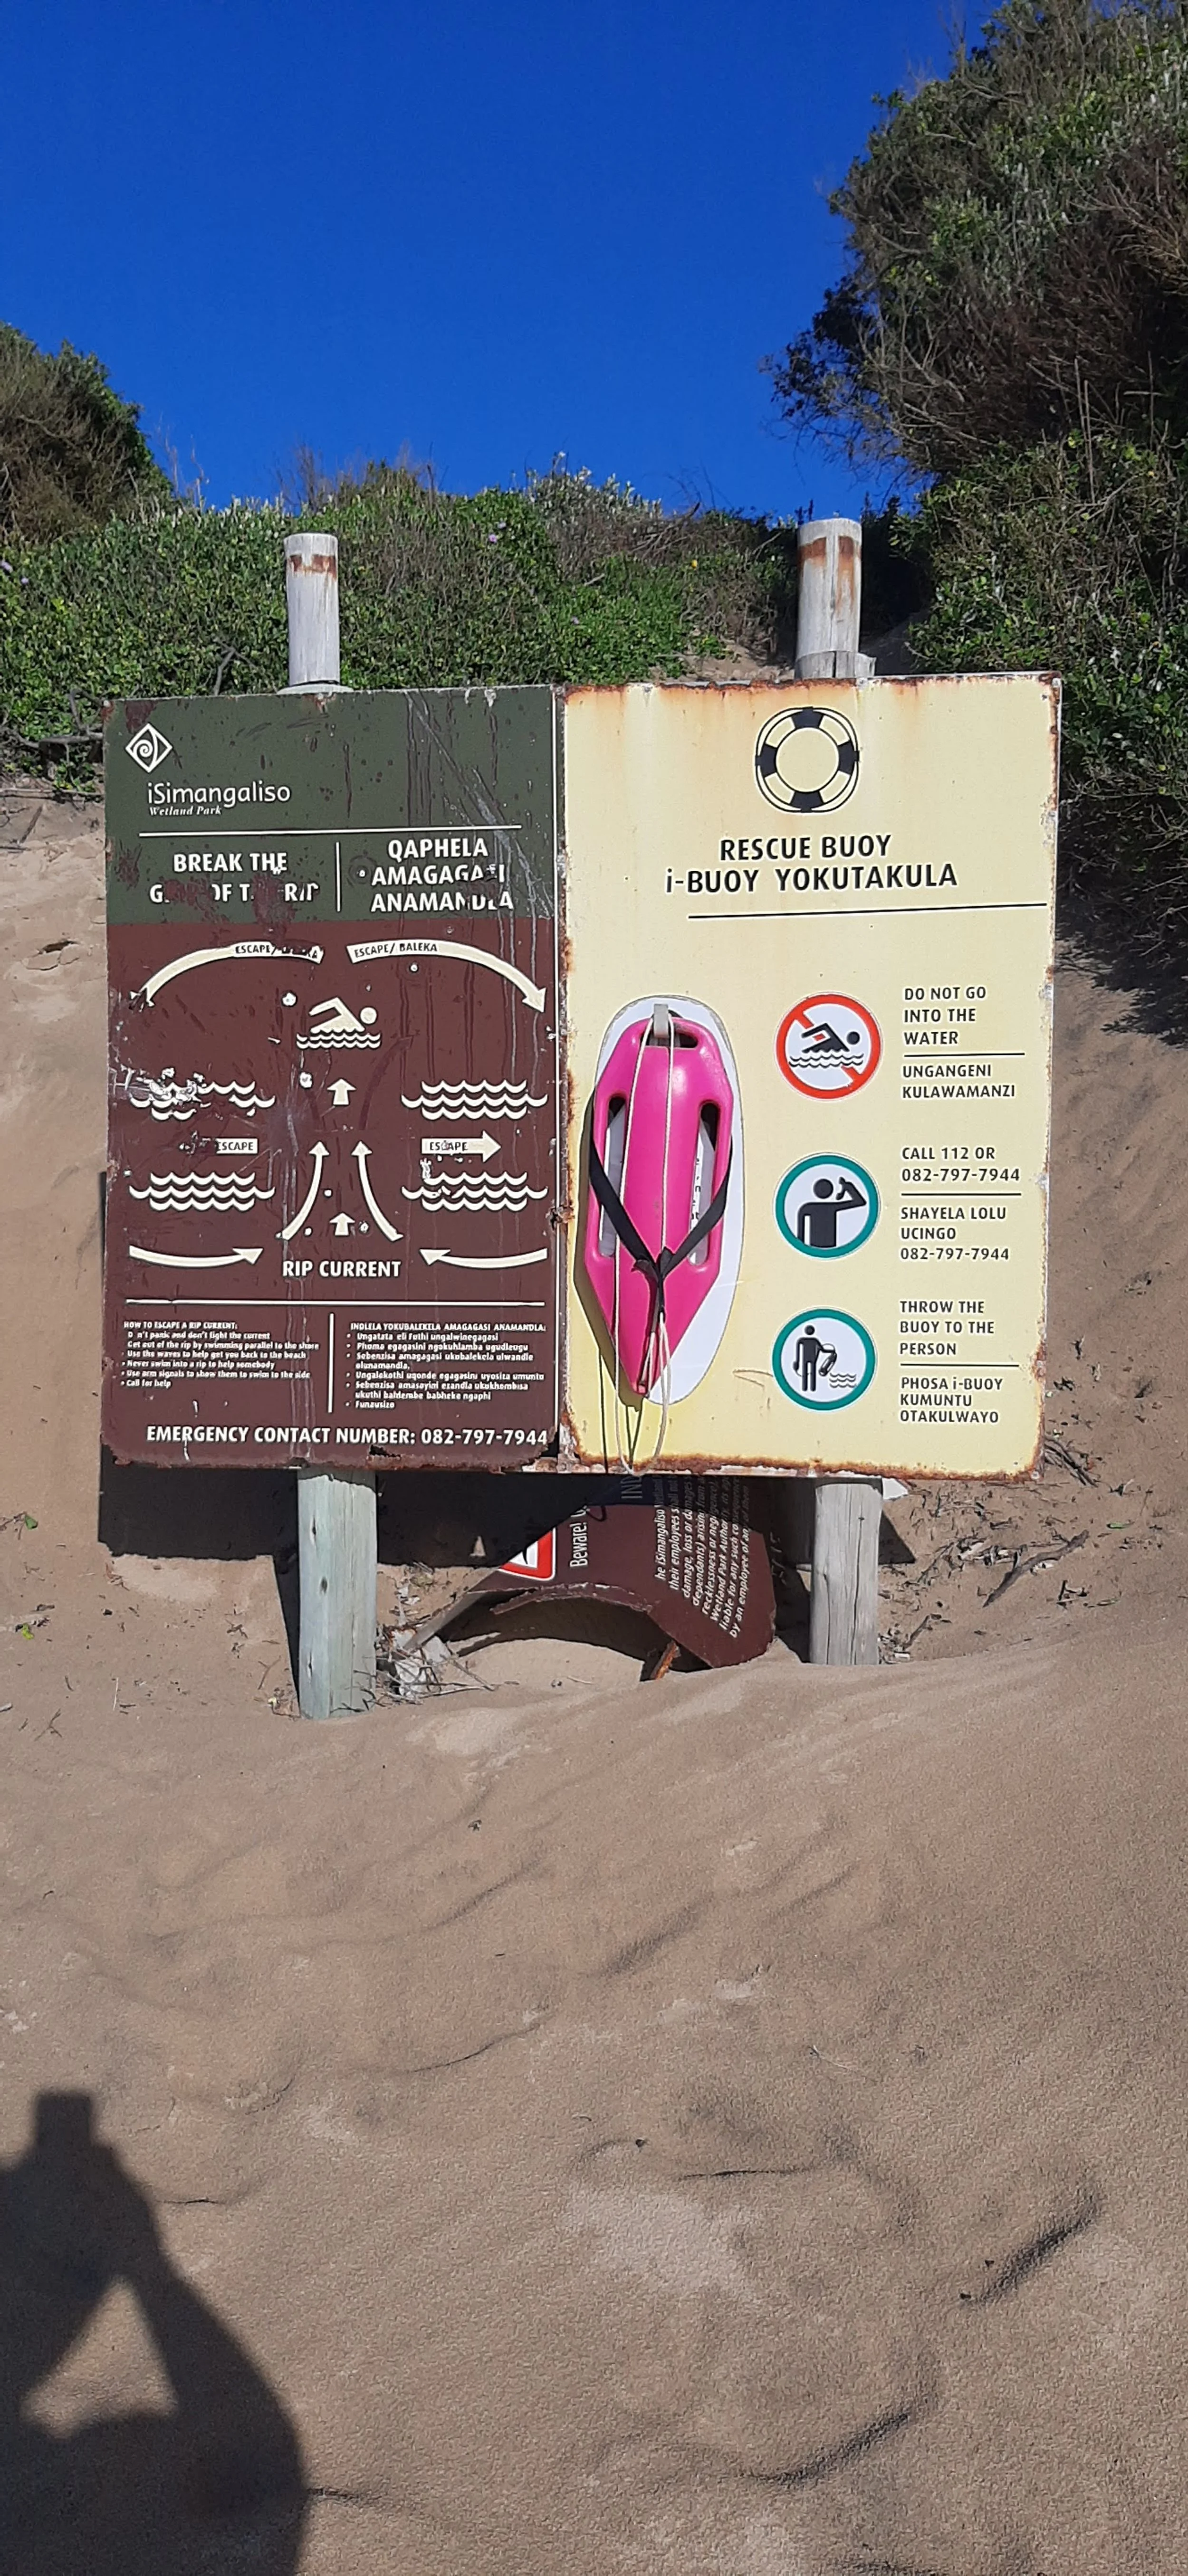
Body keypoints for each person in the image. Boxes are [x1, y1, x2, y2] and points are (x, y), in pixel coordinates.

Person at [795, 1173, 866, 1251]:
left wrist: (803, 1250)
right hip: (823, 1248)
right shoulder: (831, 1207)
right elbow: (859, 1201)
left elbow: (800, 1238)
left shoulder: (808, 1208)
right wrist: (848, 1187)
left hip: (824, 1249)